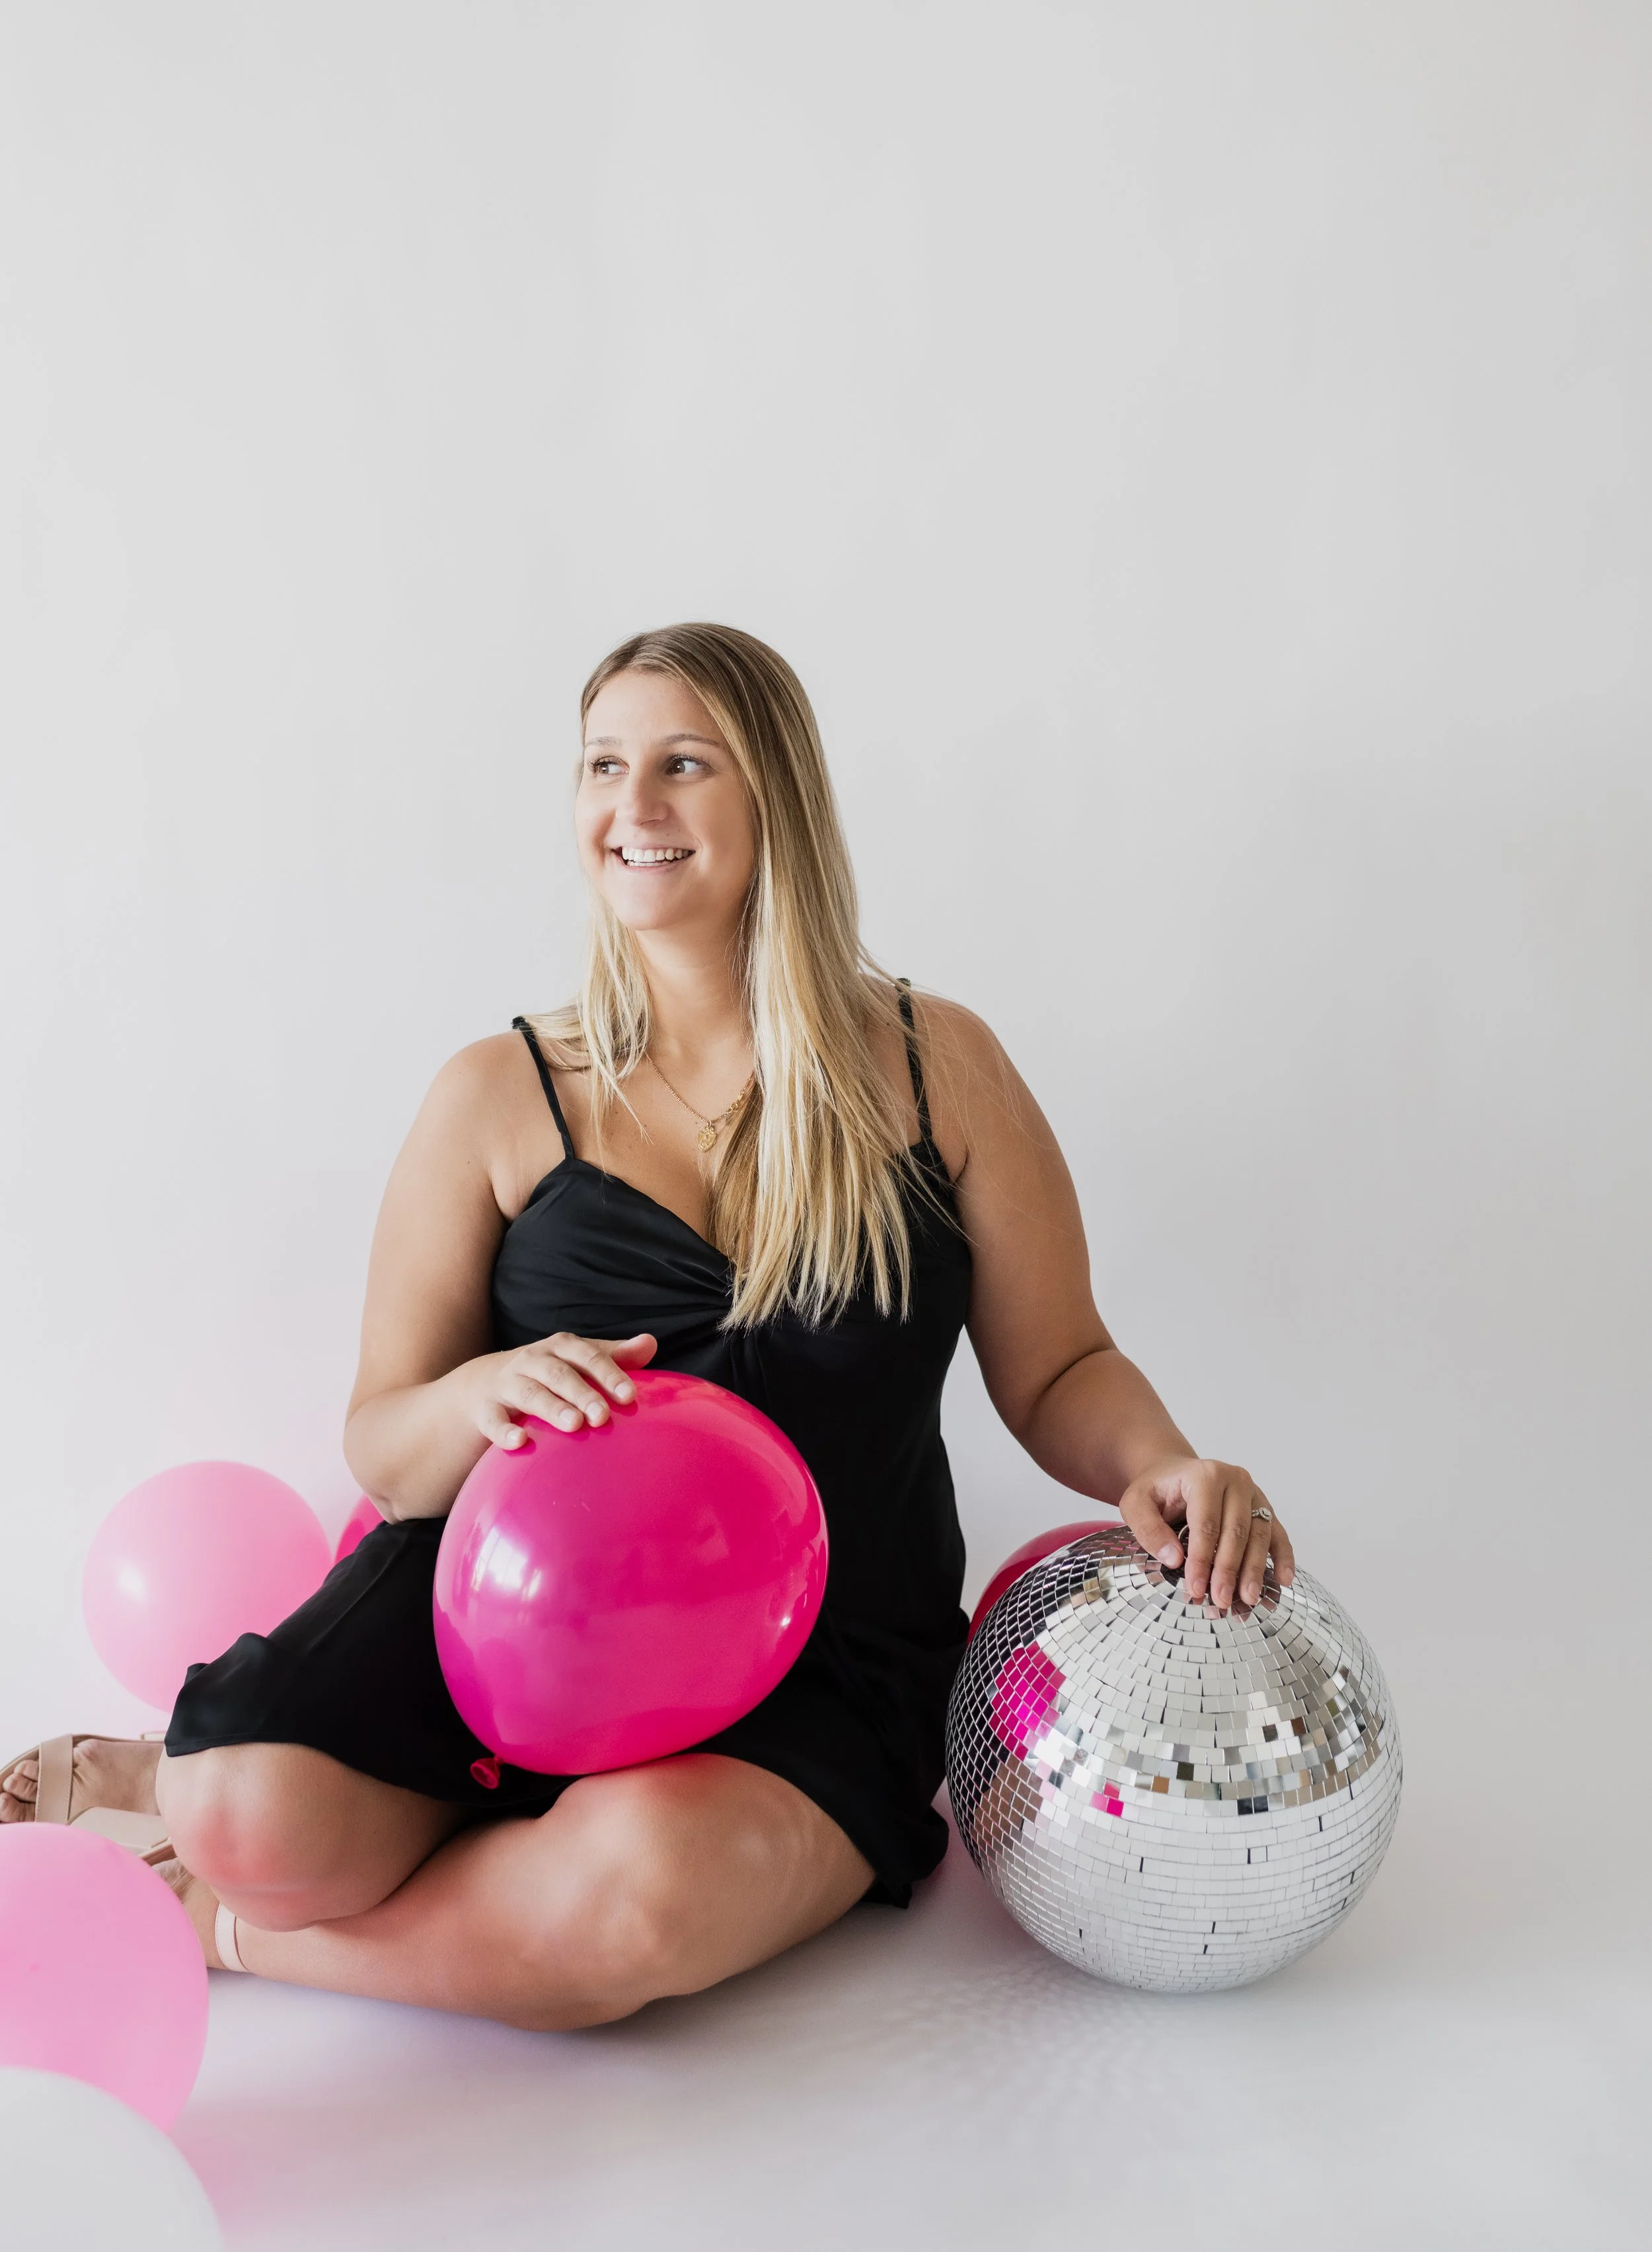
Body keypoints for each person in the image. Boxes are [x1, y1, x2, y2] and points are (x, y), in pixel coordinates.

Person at [1, 622, 1293, 2029]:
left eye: (684, 764)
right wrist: (485, 1393)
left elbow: (1056, 1368)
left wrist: (1154, 1460)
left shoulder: (938, 1070)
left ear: (776, 800)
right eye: (602, 767)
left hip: (827, 1643)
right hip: (505, 1619)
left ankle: (199, 1915)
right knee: (245, 1807)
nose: (634, 808)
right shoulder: (494, 1095)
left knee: (630, 1907)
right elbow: (383, 1444)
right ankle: (234, 1818)